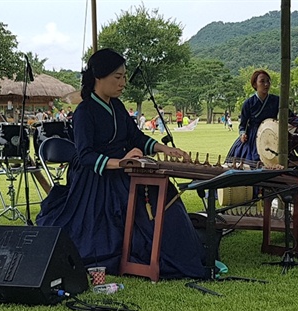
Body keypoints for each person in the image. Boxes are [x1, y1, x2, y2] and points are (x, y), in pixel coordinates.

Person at [36, 48, 206, 279]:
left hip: (124, 168)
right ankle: (149, 256)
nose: (123, 82)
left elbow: (135, 137)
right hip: (96, 177)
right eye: (118, 77)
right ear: (99, 77)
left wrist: (164, 149)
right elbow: (84, 155)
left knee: (164, 192)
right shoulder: (85, 111)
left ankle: (184, 253)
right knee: (134, 203)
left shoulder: (117, 106)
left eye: (124, 77)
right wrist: (121, 162)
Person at [226, 69, 279, 162]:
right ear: (255, 84)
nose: (266, 84)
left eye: (268, 81)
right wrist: (242, 134)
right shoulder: (248, 103)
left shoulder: (276, 100)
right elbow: (242, 125)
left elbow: (290, 116)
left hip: (272, 136)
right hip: (254, 137)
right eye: (262, 81)